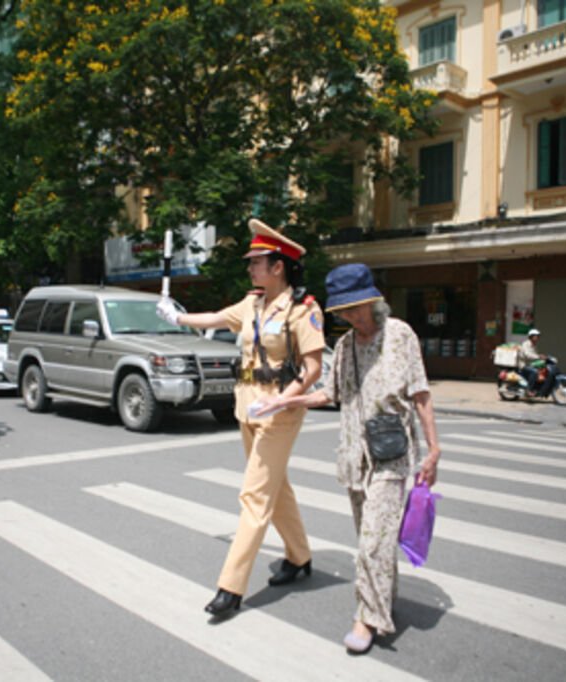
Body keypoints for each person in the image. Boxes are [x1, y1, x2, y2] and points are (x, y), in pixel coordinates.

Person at [254, 263, 441, 654]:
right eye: (345, 311)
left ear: (374, 300)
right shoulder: (345, 346)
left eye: (358, 307)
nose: (353, 316)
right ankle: (382, 601)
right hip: (355, 455)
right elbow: (329, 393)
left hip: (391, 455)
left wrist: (434, 449)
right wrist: (283, 401)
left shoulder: (401, 335)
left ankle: (366, 618)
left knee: (373, 541)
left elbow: (421, 393)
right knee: (374, 536)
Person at [156, 219, 325, 617]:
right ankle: (299, 557)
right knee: (274, 486)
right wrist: (176, 318)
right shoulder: (253, 303)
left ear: (278, 266)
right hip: (246, 404)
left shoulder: (303, 310)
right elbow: (215, 317)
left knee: (253, 497)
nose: (250, 268)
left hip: (279, 412)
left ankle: (230, 587)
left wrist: (282, 400)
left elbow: (313, 368)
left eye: (256, 262)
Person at [518, 328, 546, 395]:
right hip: (524, 365)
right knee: (535, 372)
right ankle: (529, 389)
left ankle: (537, 388)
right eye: (536, 336)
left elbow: (535, 355)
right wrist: (538, 356)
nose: (537, 338)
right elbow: (528, 355)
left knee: (543, 369)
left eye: (538, 336)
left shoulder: (534, 345)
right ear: (531, 336)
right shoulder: (526, 344)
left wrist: (542, 358)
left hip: (530, 364)